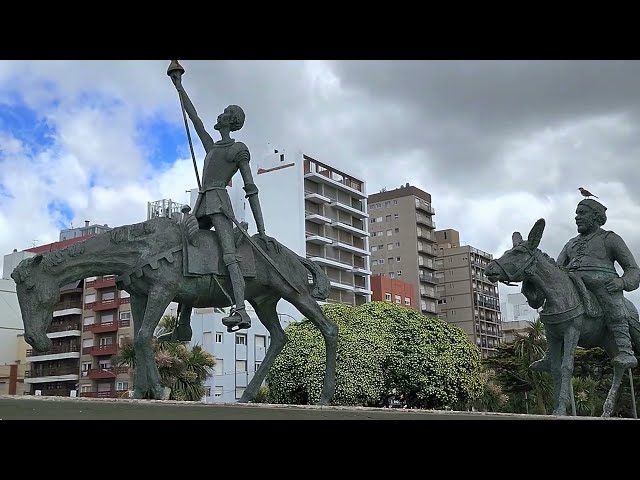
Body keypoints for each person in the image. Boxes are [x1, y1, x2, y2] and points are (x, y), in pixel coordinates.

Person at [168, 62, 276, 332]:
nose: (221, 114)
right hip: (203, 202)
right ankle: (183, 324)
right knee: (188, 249)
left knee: (229, 255)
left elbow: (250, 188)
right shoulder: (212, 146)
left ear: (232, 121)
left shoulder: (237, 149)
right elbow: (195, 119)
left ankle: (240, 310)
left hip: (219, 202)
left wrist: (262, 230)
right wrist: (179, 86)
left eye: (227, 113)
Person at [530, 198, 640, 371]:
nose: (577, 217)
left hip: (604, 285)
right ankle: (551, 355)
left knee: (612, 303)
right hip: (573, 285)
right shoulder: (570, 244)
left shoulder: (610, 239)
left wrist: (622, 281)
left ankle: (626, 350)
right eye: (576, 214)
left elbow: (633, 269)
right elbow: (557, 270)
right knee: (552, 306)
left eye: (582, 213)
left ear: (596, 216)